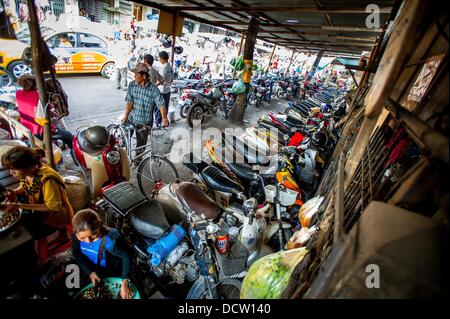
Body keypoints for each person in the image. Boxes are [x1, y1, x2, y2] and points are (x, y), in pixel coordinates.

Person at [1, 146, 74, 239]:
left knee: (24, 230)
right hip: (40, 207)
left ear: (29, 167)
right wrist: (15, 192)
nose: (11, 173)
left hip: (57, 216)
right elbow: (27, 186)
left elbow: (54, 206)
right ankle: (62, 233)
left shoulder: (48, 180)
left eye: (14, 170)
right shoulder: (29, 173)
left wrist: (19, 206)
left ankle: (61, 231)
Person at [71, 209, 134, 299]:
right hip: (92, 267)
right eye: (82, 238)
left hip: (111, 269)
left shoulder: (109, 240)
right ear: (75, 233)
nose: (88, 241)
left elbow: (126, 256)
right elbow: (77, 254)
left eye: (93, 236)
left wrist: (125, 281)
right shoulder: (76, 236)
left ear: (99, 227)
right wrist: (90, 272)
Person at [15, 75, 74, 152]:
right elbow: (53, 111)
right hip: (40, 131)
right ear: (36, 84)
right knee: (69, 136)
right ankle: (74, 154)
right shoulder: (40, 97)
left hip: (27, 128)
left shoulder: (18, 93)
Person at [122, 62, 168, 162]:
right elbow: (129, 102)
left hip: (144, 122)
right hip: (131, 118)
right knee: (124, 139)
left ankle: (137, 161)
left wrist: (164, 118)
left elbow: (161, 104)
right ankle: (125, 156)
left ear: (143, 76)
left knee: (140, 145)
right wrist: (125, 115)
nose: (134, 76)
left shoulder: (153, 89)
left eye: (136, 74)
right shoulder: (132, 85)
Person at [155, 51, 174, 127]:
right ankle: (164, 121)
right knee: (165, 106)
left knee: (159, 107)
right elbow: (172, 79)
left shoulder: (163, 67)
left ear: (162, 59)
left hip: (161, 90)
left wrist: (155, 85)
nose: (159, 60)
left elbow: (161, 80)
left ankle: (158, 122)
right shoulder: (170, 66)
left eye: (160, 59)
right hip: (167, 90)